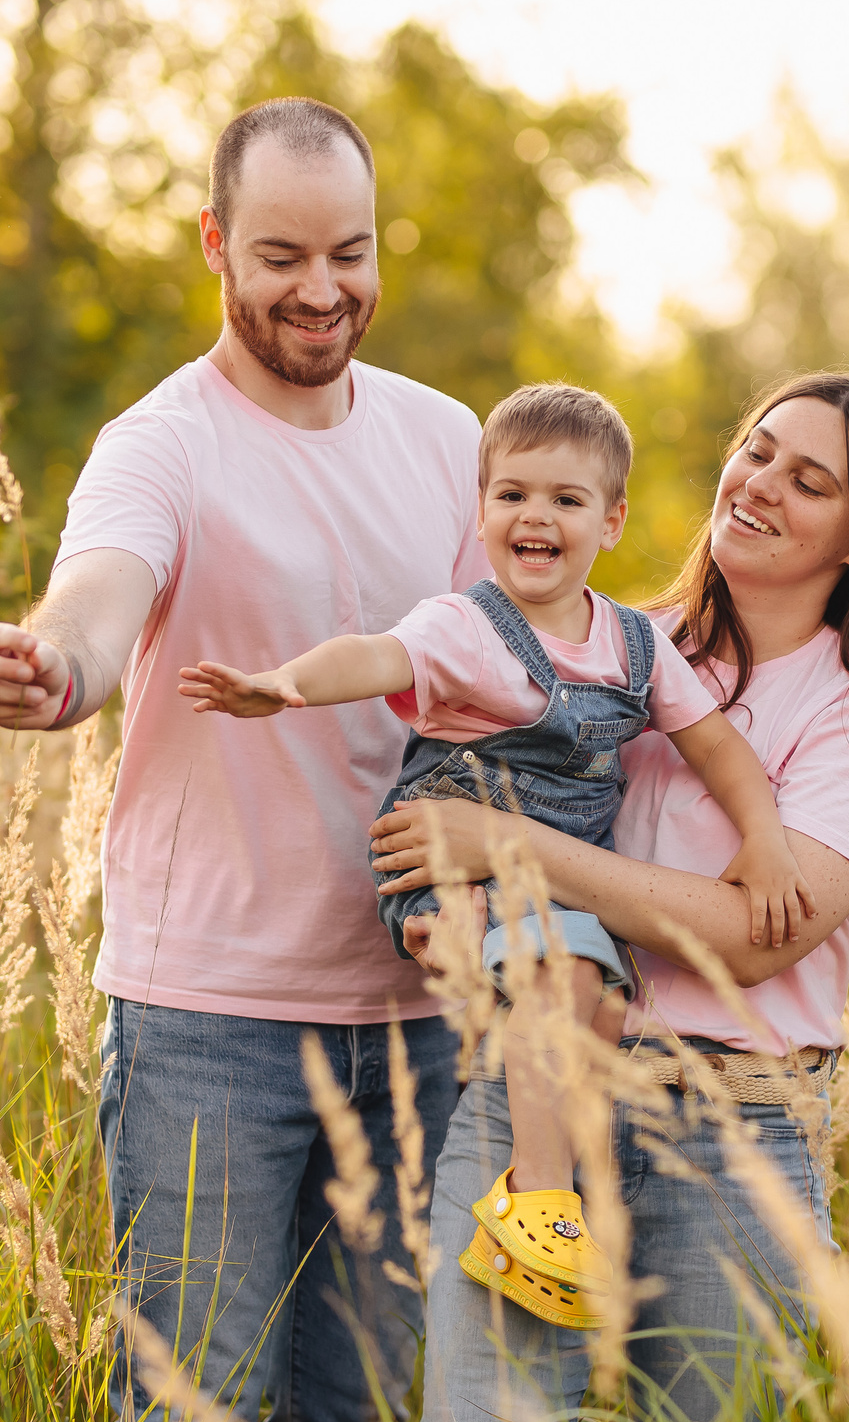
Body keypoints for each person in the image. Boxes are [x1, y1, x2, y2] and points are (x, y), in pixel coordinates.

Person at [0, 97, 481, 1422]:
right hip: (209, 1023)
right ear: (215, 247)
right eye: (282, 255)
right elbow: (97, 601)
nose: (323, 290)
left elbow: (512, 674)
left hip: (413, 1017)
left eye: (352, 252)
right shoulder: (163, 444)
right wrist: (52, 667)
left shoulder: (450, 443)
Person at [369, 373, 849, 1422]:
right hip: (533, 1106)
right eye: (756, 453)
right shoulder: (611, 643)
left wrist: (515, 844)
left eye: (810, 481)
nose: (760, 488)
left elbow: (749, 937)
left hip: (731, 1144)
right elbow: (450, 785)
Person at [175, 381, 813, 1333]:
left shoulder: (637, 644)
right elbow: (372, 656)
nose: (535, 516)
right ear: (481, 513)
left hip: (549, 878)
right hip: (448, 860)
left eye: (565, 498)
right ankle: (545, 1203)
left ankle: (543, 1190)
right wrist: (283, 685)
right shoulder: (465, 626)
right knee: (555, 974)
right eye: (512, 494)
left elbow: (717, 747)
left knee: (597, 998)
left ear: (612, 517)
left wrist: (763, 840)